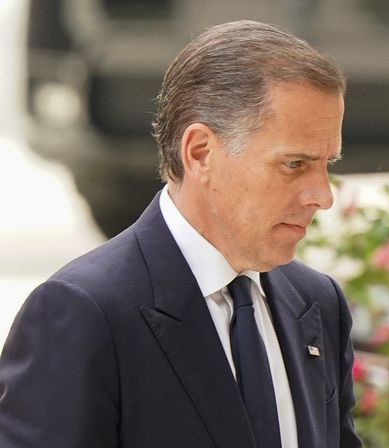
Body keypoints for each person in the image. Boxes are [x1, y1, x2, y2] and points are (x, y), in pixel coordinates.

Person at [0, 20, 361, 448]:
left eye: (328, 165)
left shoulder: (317, 302)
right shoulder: (83, 313)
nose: (322, 196)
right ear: (200, 153)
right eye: (294, 165)